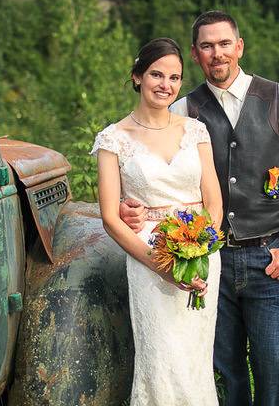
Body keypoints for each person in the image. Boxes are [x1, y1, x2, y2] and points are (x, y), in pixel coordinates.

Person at [120, 11, 279, 406]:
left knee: (275, 364)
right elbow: (159, 176)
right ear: (195, 55)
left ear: (239, 47)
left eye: (224, 44)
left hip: (270, 255)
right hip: (209, 262)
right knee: (223, 368)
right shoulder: (181, 111)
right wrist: (134, 209)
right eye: (207, 46)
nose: (217, 54)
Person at [92, 37, 224, 405]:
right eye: (156, 74)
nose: (166, 84)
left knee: (195, 359)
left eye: (175, 77)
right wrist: (163, 266)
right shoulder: (112, 139)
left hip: (200, 255)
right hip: (150, 258)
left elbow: (213, 199)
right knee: (161, 358)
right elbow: (109, 217)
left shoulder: (195, 131)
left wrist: (202, 245)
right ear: (137, 76)